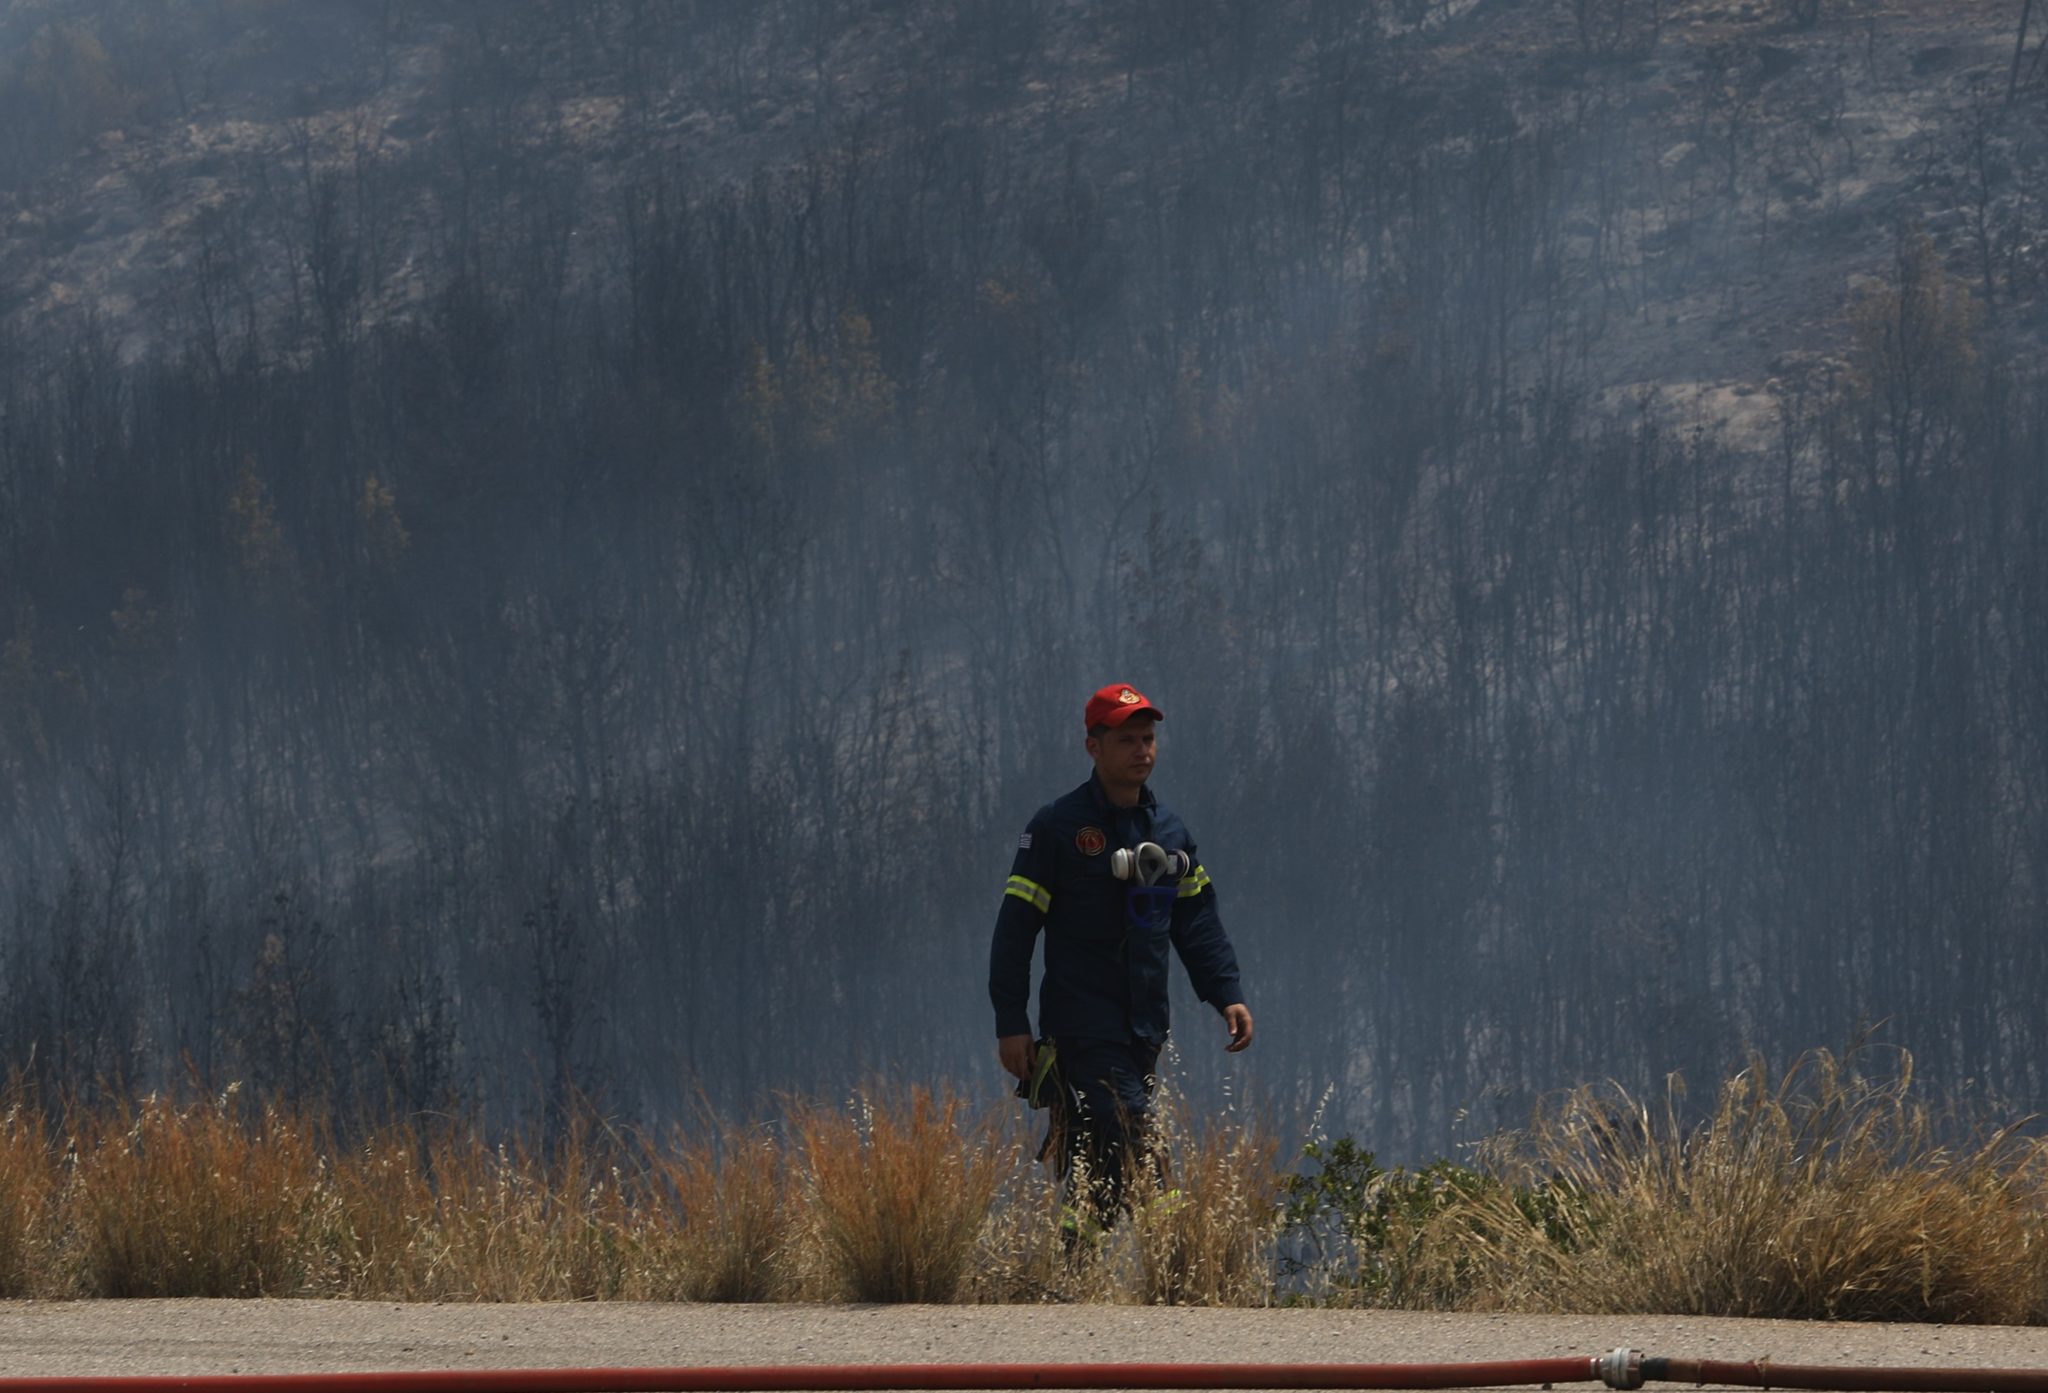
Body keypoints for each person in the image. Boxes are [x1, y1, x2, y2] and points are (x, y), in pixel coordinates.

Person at [988, 682, 1253, 1231]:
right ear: (1094, 747)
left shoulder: (1170, 830)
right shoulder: (1057, 828)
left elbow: (1197, 920)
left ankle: (1070, 1276)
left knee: (1097, 1164)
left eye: (1149, 739)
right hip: (1082, 1025)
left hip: (1146, 1025)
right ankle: (1179, 1251)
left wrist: (1226, 993)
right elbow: (1016, 930)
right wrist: (1011, 1022)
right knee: (1134, 1124)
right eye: (1128, 739)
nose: (1142, 751)